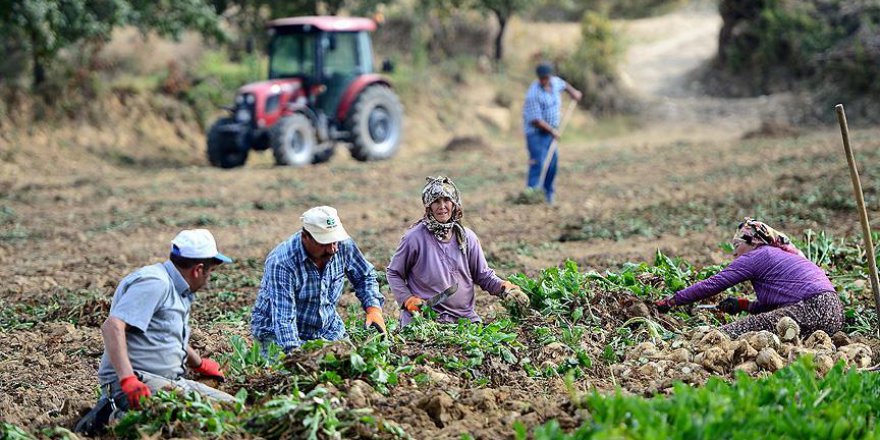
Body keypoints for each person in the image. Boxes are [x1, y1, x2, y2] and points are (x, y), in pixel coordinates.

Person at [75, 229, 235, 435]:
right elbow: (113, 326)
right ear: (198, 269)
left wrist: (199, 363)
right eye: (210, 271)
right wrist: (127, 379)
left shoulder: (176, 289)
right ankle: (111, 418)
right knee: (209, 418)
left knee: (233, 407)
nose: (208, 278)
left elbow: (166, 335)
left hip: (168, 381)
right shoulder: (155, 283)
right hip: (139, 381)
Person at [655, 218, 844, 339]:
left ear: (752, 241)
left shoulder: (758, 256)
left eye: (737, 246)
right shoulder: (781, 256)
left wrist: (672, 301)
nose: (735, 254)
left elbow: (712, 285)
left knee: (723, 334)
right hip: (834, 315)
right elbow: (779, 307)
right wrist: (743, 305)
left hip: (813, 308)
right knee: (773, 329)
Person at [387, 176, 531, 326]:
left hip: (464, 320)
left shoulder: (467, 237)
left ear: (455, 204)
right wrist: (407, 299)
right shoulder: (414, 238)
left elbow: (483, 275)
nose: (442, 206)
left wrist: (504, 287)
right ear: (428, 207)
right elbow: (394, 273)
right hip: (424, 320)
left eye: (446, 200)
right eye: (436, 201)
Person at [251, 206, 386, 354]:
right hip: (275, 334)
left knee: (349, 365)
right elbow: (284, 320)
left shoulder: (343, 245)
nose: (332, 249)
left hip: (327, 329)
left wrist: (374, 310)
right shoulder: (282, 262)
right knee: (289, 373)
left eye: (334, 241)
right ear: (305, 237)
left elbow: (364, 276)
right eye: (324, 243)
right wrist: (298, 358)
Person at [522, 62, 583, 204]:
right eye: (542, 78)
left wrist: (574, 92)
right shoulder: (533, 94)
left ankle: (548, 196)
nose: (544, 80)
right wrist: (552, 131)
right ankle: (531, 195)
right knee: (538, 163)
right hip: (536, 134)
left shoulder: (555, 83)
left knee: (552, 165)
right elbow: (535, 120)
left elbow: (565, 85)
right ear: (538, 78)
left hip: (551, 133)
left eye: (546, 77)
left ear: (550, 76)